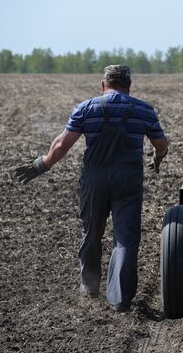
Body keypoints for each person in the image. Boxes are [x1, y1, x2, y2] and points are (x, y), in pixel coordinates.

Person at [14, 65, 169, 312]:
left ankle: (90, 286)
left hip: (94, 179)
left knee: (91, 231)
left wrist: (39, 166)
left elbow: (61, 145)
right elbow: (160, 143)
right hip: (127, 180)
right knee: (125, 238)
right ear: (129, 86)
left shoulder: (87, 108)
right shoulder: (143, 109)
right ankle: (119, 299)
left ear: (103, 85)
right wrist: (159, 156)